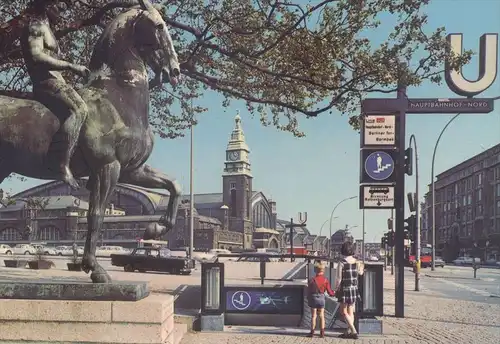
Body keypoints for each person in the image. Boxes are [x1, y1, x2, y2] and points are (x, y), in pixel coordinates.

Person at [21, 0, 90, 190]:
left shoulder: (47, 29)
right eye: (62, 6)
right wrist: (70, 65)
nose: (63, 11)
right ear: (48, 4)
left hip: (58, 81)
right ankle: (60, 162)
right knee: (80, 110)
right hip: (46, 83)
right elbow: (36, 56)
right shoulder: (35, 26)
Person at [334, 241, 363, 339]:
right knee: (351, 311)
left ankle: (354, 331)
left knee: (343, 311)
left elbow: (339, 278)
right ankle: (348, 332)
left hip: (344, 289)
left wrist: (336, 288)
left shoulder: (341, 263)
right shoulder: (357, 262)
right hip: (354, 289)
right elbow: (361, 273)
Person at [306, 261, 335, 338]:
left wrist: (308, 297)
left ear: (315, 270)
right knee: (322, 315)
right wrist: (334, 293)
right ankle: (322, 333)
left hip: (313, 298)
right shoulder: (325, 280)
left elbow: (309, 291)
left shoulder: (312, 280)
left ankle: (312, 332)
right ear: (323, 270)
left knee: (313, 316)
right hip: (322, 298)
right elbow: (330, 292)